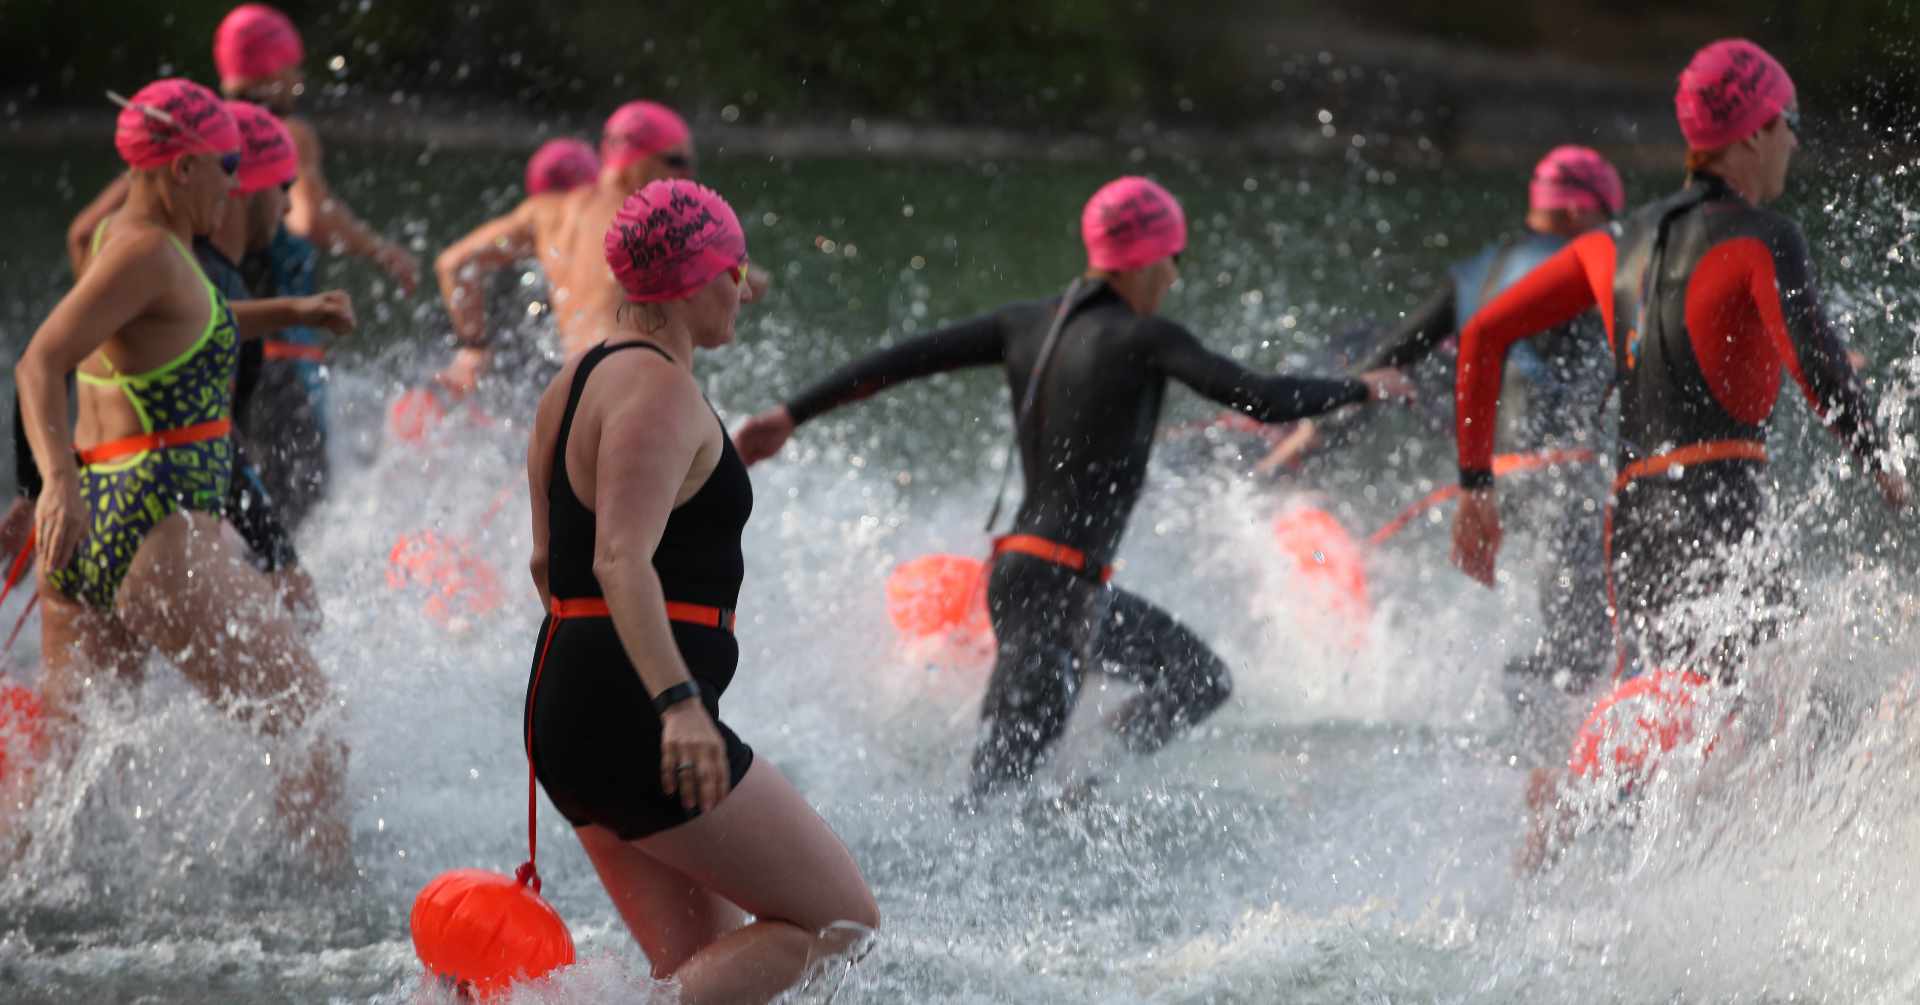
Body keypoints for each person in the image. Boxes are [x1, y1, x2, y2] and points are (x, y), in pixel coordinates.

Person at [733, 177, 1415, 799]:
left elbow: (901, 361)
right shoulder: (1147, 336)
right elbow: (1262, 397)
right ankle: (1031, 829)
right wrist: (1362, 386)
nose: (1174, 278)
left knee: (1197, 678)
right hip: (1055, 591)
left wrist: (793, 413)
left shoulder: (1025, 324)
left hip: (1047, 582)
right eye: (1174, 260)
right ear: (1149, 259)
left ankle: (1080, 789)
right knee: (991, 804)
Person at [1451, 39, 1908, 701]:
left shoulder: (1610, 243)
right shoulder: (1765, 236)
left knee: (1656, 704)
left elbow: (1482, 334)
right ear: (1755, 132)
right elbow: (1817, 364)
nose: (1795, 143)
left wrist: (1474, 486)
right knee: (1785, 710)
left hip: (1632, 524)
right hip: (1720, 510)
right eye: (1792, 125)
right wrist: (1883, 464)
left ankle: (1571, 795)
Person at [523, 179, 876, 1003]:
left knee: (706, 971)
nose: (745, 289)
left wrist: (597, 701)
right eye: (735, 269)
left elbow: (549, 569)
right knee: (839, 921)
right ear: (690, 280)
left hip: (578, 703)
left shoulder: (572, 382)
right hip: (637, 709)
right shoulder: (658, 388)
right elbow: (619, 560)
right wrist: (677, 704)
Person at [17, 80, 356, 859]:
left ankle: (17, 899)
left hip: (93, 543)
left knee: (65, 771)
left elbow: (187, 319)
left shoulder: (127, 244)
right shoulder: (144, 250)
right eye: (225, 165)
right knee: (313, 724)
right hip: (157, 533)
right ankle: (324, 920)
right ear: (181, 170)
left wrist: (294, 313)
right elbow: (40, 361)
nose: (235, 184)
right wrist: (52, 481)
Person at [7, 101, 318, 620]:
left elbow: (49, 354)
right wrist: (277, 553)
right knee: (315, 705)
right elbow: (42, 361)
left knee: (87, 706)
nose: (289, 207)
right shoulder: (184, 272)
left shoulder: (116, 243)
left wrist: (33, 487)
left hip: (92, 514)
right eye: (283, 186)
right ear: (242, 185)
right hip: (154, 528)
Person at [1353, 146, 1626, 693]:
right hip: (1563, 479)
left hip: (1489, 482)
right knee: (1585, 646)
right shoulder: (1597, 265)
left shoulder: (1473, 274)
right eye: (1609, 218)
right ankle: (1532, 737)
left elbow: (1382, 364)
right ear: (1580, 213)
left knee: (1569, 632)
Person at [433, 101, 772, 397]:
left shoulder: (545, 212)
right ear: (640, 161)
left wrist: (473, 349)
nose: (688, 173)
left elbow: (454, 264)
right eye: (676, 161)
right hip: (632, 388)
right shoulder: (662, 218)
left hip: (573, 390)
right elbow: (749, 284)